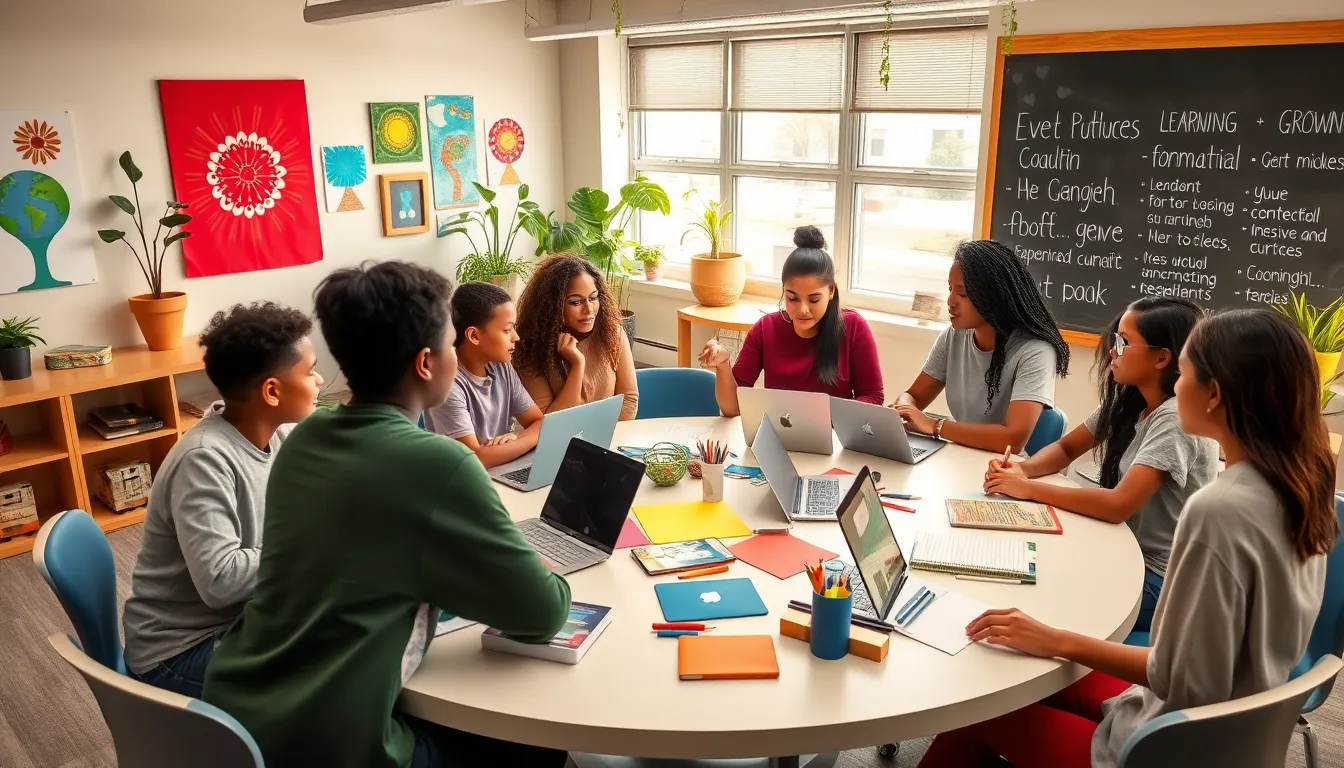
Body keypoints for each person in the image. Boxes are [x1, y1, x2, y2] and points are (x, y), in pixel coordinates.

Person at [917, 308, 1337, 768]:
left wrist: (1058, 639)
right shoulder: (1302, 482)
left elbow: (1181, 678)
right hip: (1228, 731)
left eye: (1187, 373)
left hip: (1160, 746)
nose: (1178, 385)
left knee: (982, 702)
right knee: (1014, 670)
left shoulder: (1220, 511)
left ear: (1213, 394)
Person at [203, 262, 572, 768]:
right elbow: (543, 614)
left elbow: (371, 557)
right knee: (535, 733)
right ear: (426, 362)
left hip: (239, 712)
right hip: (335, 746)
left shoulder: (304, 438)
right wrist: (541, 570)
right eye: (449, 343)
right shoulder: (442, 464)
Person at [983, 297, 1218, 633]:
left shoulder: (1175, 418)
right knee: (1031, 565)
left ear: (1162, 358)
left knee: (1042, 592)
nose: (1111, 351)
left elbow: (1118, 505)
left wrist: (1029, 489)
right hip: (1124, 552)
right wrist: (1022, 471)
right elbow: (1066, 448)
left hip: (1162, 580)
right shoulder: (1132, 399)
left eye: (1123, 342)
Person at [122, 302, 320, 698]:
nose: (318, 381)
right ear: (271, 391)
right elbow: (221, 580)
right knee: (337, 661)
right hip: (178, 652)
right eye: (310, 371)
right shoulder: (204, 459)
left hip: (238, 618)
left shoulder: (273, 435)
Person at [891, 240, 1070, 454]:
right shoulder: (953, 336)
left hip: (1009, 471)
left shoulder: (1035, 351)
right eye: (950, 289)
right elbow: (915, 396)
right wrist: (905, 407)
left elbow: (1012, 439)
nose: (950, 301)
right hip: (963, 456)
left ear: (993, 296)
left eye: (963, 294)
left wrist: (935, 426)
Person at [700, 226, 883, 416]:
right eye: (792, 298)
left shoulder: (854, 327)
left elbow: (873, 396)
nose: (803, 309)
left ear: (831, 291)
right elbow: (732, 408)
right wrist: (723, 365)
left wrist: (827, 417)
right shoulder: (765, 329)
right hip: (779, 436)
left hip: (834, 437)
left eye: (814, 299)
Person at [424, 281, 545, 468]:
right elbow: (474, 458)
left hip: (499, 470)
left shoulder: (502, 368)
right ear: (474, 336)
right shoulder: (447, 383)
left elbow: (539, 421)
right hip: (461, 481)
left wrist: (516, 438)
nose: (516, 337)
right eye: (507, 330)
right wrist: (525, 439)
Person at [513, 255, 639, 420]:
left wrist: (605, 438)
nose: (589, 309)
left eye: (593, 298)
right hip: (560, 443)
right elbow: (547, 422)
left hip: (610, 438)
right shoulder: (530, 348)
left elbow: (629, 400)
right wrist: (577, 365)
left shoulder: (613, 334)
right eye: (575, 302)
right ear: (551, 305)